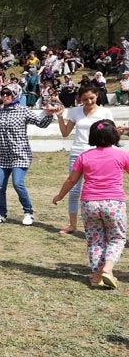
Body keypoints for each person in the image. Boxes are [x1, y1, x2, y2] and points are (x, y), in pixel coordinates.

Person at [0, 86, 56, 226]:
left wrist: (49, 115)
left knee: (18, 183)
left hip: (20, 154)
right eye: (3, 94)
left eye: (8, 94)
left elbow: (41, 124)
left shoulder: (24, 111)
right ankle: (1, 214)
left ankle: (28, 212)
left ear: (15, 95)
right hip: (2, 154)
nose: (5, 96)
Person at [53, 120, 129, 289]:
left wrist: (60, 195)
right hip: (113, 203)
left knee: (95, 240)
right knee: (116, 237)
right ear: (115, 136)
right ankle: (108, 270)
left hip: (89, 203)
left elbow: (72, 179)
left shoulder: (84, 156)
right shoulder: (122, 155)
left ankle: (96, 277)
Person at [55, 86, 113, 234]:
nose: (88, 101)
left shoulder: (105, 112)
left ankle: (103, 225)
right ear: (79, 99)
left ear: (97, 95)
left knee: (98, 190)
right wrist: (60, 117)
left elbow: (110, 133)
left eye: (91, 98)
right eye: (85, 99)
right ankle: (72, 225)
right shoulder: (75, 112)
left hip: (97, 154)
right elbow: (65, 133)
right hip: (77, 153)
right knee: (74, 191)